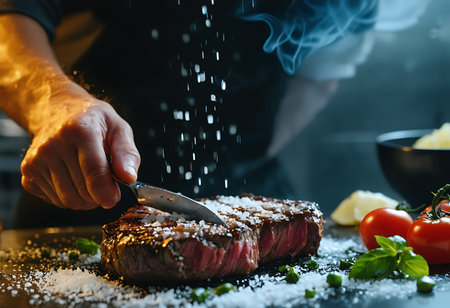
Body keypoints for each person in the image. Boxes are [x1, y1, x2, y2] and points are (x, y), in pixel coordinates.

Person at [0, 0, 429, 228]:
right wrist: (56, 102)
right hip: (78, 195)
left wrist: (243, 161)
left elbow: (319, 74)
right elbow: (11, 22)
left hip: (256, 195)